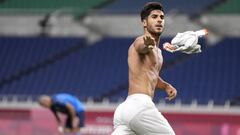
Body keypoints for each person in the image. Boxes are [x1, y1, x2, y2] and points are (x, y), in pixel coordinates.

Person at [112, 2, 177, 135]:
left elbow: (150, 75)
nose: (159, 20)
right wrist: (147, 44)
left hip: (125, 111)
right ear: (144, 23)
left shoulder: (158, 53)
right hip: (140, 107)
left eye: (162, 17)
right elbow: (141, 46)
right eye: (154, 16)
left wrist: (165, 86)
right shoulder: (141, 41)